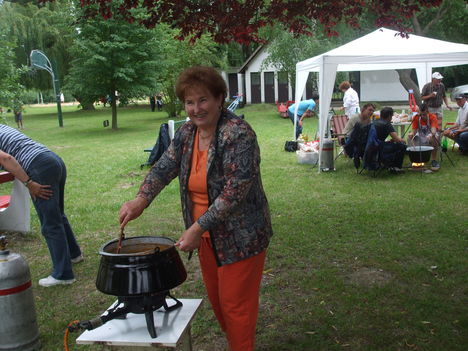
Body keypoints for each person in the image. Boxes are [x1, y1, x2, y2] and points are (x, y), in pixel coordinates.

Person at [119, 66, 273, 351]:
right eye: (189, 102)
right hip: (205, 237)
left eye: (203, 100)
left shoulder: (238, 134)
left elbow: (234, 193)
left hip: (241, 236)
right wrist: (140, 199)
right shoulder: (188, 132)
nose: (196, 108)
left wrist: (196, 227)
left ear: (219, 99)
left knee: (235, 306)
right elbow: (164, 166)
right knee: (218, 301)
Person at [0, 124, 82, 287]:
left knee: (50, 223)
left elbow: (6, 159)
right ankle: (74, 254)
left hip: (39, 167)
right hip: (52, 159)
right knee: (58, 215)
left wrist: (29, 182)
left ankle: (63, 274)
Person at [407, 103, 440, 171]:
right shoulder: (416, 117)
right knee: (409, 138)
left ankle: (433, 160)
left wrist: (431, 135)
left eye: (424, 114)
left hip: (430, 134)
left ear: (427, 112)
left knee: (434, 138)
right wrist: (411, 134)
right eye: (421, 114)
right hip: (420, 135)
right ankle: (416, 160)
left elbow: (433, 130)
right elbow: (414, 131)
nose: (422, 116)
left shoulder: (432, 117)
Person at [375, 107, 407, 172]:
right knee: (402, 145)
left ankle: (385, 163)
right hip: (380, 147)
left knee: (392, 143)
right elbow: (397, 140)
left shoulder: (375, 121)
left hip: (373, 145)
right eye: (392, 116)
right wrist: (404, 140)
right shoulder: (387, 124)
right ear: (389, 116)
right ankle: (396, 166)